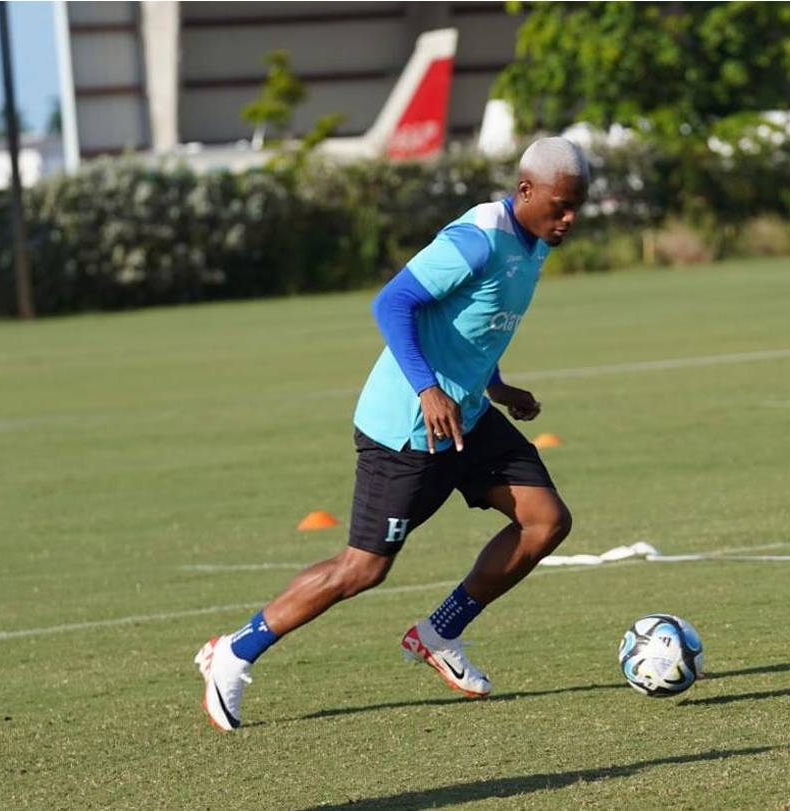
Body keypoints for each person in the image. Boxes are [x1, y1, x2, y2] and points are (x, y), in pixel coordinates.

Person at [194, 137, 591, 731]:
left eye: (577, 207)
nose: (570, 219)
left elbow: (469, 328)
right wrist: (428, 389)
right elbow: (393, 303)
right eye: (561, 205)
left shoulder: (535, 244)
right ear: (525, 190)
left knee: (546, 520)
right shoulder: (477, 237)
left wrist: (498, 387)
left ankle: (440, 632)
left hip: (469, 419)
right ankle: (234, 652)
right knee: (361, 568)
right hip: (405, 429)